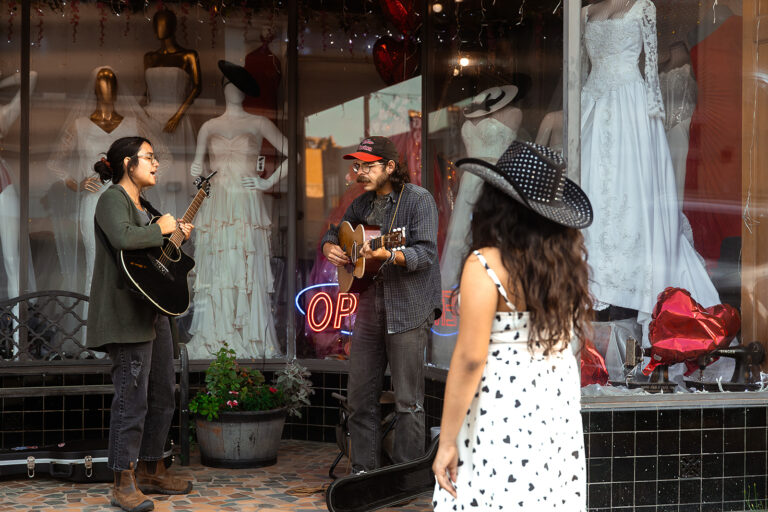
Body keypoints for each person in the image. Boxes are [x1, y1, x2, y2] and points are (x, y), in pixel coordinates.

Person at [432, 141, 593, 510]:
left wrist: (447, 441)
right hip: (555, 404)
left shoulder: (486, 264)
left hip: (502, 405)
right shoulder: (565, 266)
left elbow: (471, 358)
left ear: (496, 203)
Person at [322, 136, 442, 472]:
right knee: (360, 398)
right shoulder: (361, 205)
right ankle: (364, 473)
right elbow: (335, 233)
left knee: (408, 402)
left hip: (408, 305)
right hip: (371, 303)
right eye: (357, 165)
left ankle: (404, 479)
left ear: (390, 167)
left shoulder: (419, 200)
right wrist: (329, 248)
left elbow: (427, 253)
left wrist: (390, 253)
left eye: (367, 165)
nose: (359, 171)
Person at [87, 136, 193, 512]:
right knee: (132, 399)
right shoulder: (112, 199)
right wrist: (162, 228)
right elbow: (122, 237)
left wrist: (173, 235)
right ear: (128, 164)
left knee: (163, 392)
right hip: (125, 315)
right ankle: (122, 480)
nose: (156, 163)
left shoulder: (143, 205)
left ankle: (151, 467)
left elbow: (145, 262)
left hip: (150, 311)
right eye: (149, 157)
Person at [187, 60, 288, 360]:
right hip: (217, 203)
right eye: (231, 86)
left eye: (240, 88)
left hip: (245, 203)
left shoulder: (258, 123)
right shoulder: (209, 126)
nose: (235, 92)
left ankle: (249, 338)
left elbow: (292, 154)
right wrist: (197, 175)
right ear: (224, 89)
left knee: (245, 269)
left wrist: (266, 181)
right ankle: (217, 338)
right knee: (218, 270)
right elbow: (196, 169)